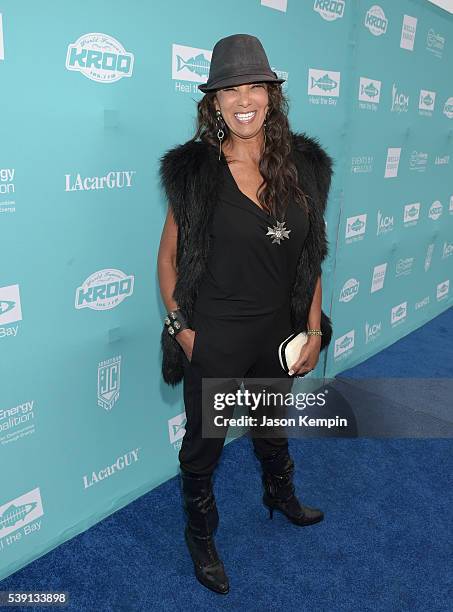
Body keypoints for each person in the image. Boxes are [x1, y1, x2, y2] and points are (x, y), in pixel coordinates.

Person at [157, 34, 334, 595]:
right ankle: (201, 534)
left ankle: (279, 496)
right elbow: (167, 259)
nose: (243, 98)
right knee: (204, 445)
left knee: (271, 426)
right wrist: (182, 330)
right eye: (230, 88)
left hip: (278, 333)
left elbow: (312, 257)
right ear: (213, 102)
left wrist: (310, 328)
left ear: (272, 96)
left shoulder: (304, 166)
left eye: (254, 85)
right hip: (218, 333)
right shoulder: (197, 173)